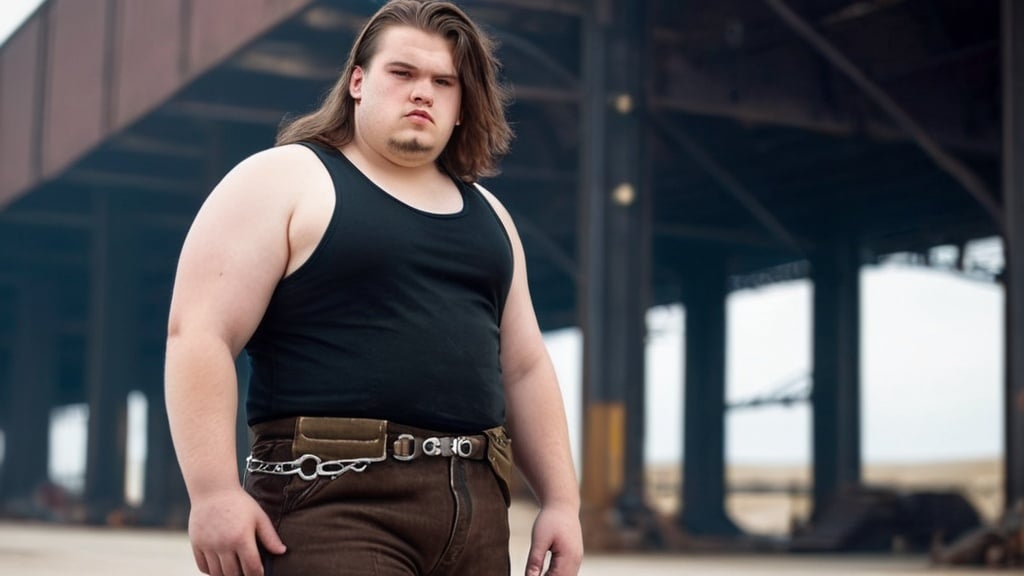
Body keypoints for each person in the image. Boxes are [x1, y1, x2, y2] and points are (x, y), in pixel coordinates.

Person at [164, 1, 583, 575]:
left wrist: (562, 502)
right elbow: (200, 332)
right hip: (331, 504)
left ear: (463, 105)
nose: (423, 93)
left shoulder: (491, 215)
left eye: (443, 81)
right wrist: (212, 492)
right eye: (402, 73)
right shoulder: (285, 178)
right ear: (358, 82)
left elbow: (526, 365)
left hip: (480, 512)